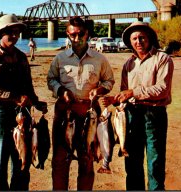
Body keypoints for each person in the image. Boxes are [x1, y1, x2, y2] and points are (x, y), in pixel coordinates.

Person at [0, 14, 47, 191]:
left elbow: (28, 86)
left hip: (23, 113)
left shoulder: (22, 57)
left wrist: (36, 102)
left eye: (17, 32)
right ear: (1, 33)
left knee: (22, 164)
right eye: (10, 32)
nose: (14, 36)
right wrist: (15, 97)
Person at [102, 21, 174, 190]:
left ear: (149, 39)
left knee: (155, 162)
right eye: (134, 38)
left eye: (142, 37)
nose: (138, 42)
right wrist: (114, 99)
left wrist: (132, 92)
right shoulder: (128, 64)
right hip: (131, 115)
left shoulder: (163, 58)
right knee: (132, 163)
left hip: (154, 114)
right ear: (130, 42)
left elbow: (162, 89)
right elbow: (124, 94)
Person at [47, 16, 115, 190]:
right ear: (68, 35)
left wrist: (99, 90)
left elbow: (109, 81)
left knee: (87, 159)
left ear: (87, 34)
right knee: (61, 160)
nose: (76, 39)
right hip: (64, 114)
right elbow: (51, 80)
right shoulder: (60, 58)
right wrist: (61, 91)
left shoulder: (100, 59)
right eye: (72, 35)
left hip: (89, 115)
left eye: (80, 34)